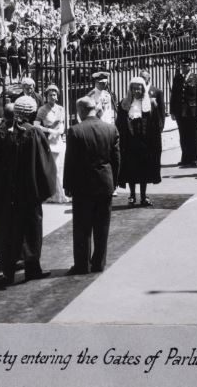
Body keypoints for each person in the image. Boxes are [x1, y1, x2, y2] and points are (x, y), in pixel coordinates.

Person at [0, 95, 55, 285]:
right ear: (31, 113)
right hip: (29, 193)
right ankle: (32, 268)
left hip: (6, 194)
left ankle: (7, 272)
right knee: (30, 230)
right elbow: (43, 164)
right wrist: (44, 190)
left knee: (7, 230)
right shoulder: (33, 133)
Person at [64, 96, 120, 274]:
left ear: (80, 111)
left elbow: (70, 162)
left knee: (82, 227)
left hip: (83, 186)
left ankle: (82, 264)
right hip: (105, 183)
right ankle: (99, 263)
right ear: (94, 109)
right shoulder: (110, 129)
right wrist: (114, 181)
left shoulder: (75, 131)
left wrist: (68, 185)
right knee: (102, 226)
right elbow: (116, 159)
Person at [115, 76, 162, 206]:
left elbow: (155, 125)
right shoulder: (124, 104)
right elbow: (119, 124)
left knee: (143, 170)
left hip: (145, 143)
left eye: (139, 88)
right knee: (130, 170)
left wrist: (154, 144)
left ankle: (143, 196)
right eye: (134, 88)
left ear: (143, 89)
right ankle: (131, 195)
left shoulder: (151, 104)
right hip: (129, 143)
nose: (136, 90)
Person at [35, 84, 68, 204]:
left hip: (59, 140)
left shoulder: (60, 109)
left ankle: (61, 194)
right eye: (50, 95)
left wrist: (60, 131)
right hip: (49, 141)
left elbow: (63, 123)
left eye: (54, 94)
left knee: (60, 168)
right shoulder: (42, 110)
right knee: (52, 169)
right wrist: (49, 130)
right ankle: (52, 195)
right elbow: (36, 125)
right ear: (46, 97)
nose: (52, 97)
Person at [169, 57, 197, 166]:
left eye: (186, 66)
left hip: (192, 111)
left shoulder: (196, 78)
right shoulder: (177, 78)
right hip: (180, 111)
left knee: (193, 135)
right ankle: (185, 158)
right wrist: (172, 111)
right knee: (183, 135)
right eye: (182, 66)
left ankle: (193, 158)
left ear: (190, 66)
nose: (183, 68)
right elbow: (173, 95)